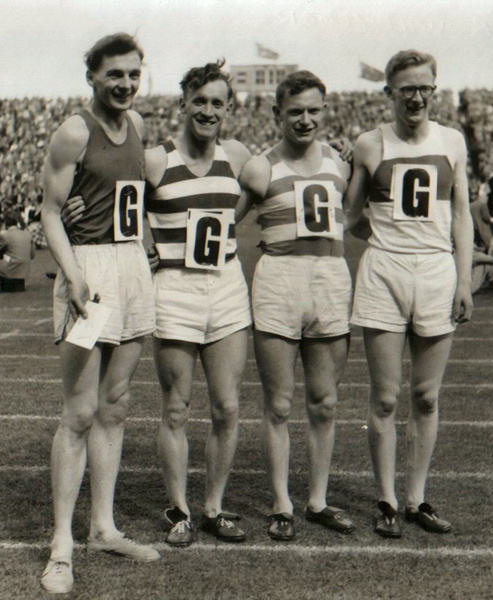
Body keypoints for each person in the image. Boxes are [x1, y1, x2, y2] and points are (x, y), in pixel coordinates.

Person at [39, 33, 159, 595]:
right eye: (115, 74)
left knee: (116, 405)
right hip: (88, 269)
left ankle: (103, 527)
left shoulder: (136, 127)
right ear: (92, 76)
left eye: (134, 74)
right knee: (80, 410)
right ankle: (62, 543)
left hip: (132, 267)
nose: (126, 84)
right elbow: (50, 210)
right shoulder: (74, 129)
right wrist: (73, 273)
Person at [344, 50, 474, 538]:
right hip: (384, 273)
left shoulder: (453, 141)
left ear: (434, 90)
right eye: (406, 89)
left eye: (425, 88)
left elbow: (462, 216)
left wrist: (463, 279)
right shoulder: (370, 143)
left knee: (425, 394)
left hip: (439, 272)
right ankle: (386, 499)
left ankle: (417, 497)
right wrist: (386, 242)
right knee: (384, 397)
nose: (416, 97)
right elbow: (351, 216)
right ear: (389, 93)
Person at [238, 71, 355, 541]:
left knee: (324, 402)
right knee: (280, 403)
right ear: (277, 115)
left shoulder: (341, 164)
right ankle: (282, 502)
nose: (305, 120)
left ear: (324, 111)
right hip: (280, 279)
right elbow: (223, 216)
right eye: (295, 112)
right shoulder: (260, 167)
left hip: (329, 277)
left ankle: (319, 499)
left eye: (313, 110)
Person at [144, 61, 252, 547]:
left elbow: (258, 194)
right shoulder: (155, 161)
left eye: (217, 103)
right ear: (183, 104)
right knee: (177, 407)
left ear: (228, 109)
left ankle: (214, 506)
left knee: (227, 407)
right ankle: (179, 510)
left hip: (226, 284)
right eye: (200, 101)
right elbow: (115, 198)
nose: (208, 111)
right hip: (175, 288)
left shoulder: (238, 155)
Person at [0, 209, 34, 293]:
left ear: (5, 223)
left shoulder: (6, 236)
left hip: (12, 267)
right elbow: (32, 255)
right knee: (6, 256)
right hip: (24, 270)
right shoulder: (27, 234)